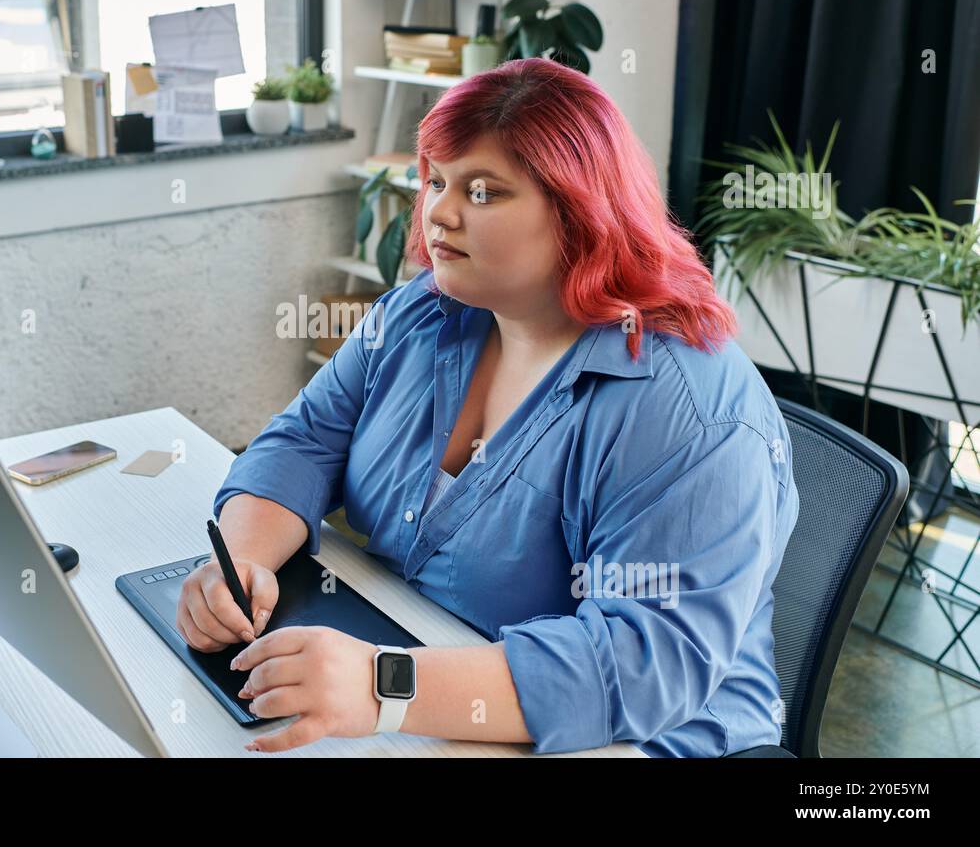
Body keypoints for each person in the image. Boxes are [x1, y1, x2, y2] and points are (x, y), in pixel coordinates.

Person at [177, 56, 799, 756]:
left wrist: (384, 685)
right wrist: (244, 564)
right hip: (428, 666)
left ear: (579, 214)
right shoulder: (426, 311)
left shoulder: (686, 408)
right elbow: (306, 439)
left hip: (631, 739)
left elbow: (641, 663)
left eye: (483, 191)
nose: (439, 211)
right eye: (436, 180)